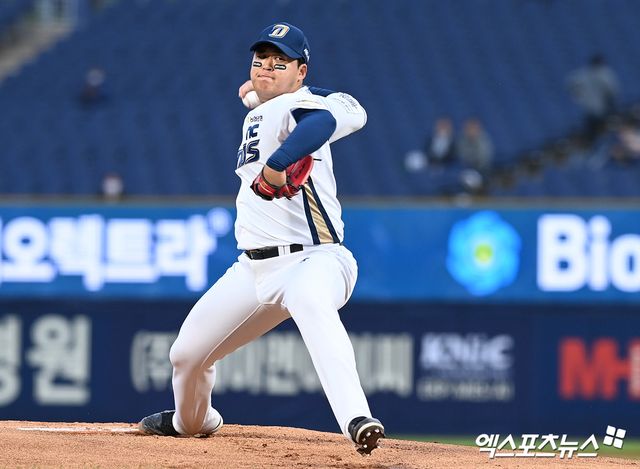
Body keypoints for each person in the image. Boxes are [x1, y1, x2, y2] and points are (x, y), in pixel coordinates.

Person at [138, 22, 385, 455]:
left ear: (301, 72)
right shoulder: (267, 108)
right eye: (260, 60)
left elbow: (320, 121)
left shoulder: (299, 105)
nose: (266, 67)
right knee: (186, 356)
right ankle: (191, 421)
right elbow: (300, 106)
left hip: (316, 259)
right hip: (254, 268)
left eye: (280, 62)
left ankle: (356, 418)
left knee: (309, 300)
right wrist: (258, 96)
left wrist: (278, 163)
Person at [566, 54, 620, 143]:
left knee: (605, 133)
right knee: (596, 134)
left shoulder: (603, 73)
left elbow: (612, 92)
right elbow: (571, 84)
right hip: (593, 111)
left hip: (601, 110)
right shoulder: (587, 74)